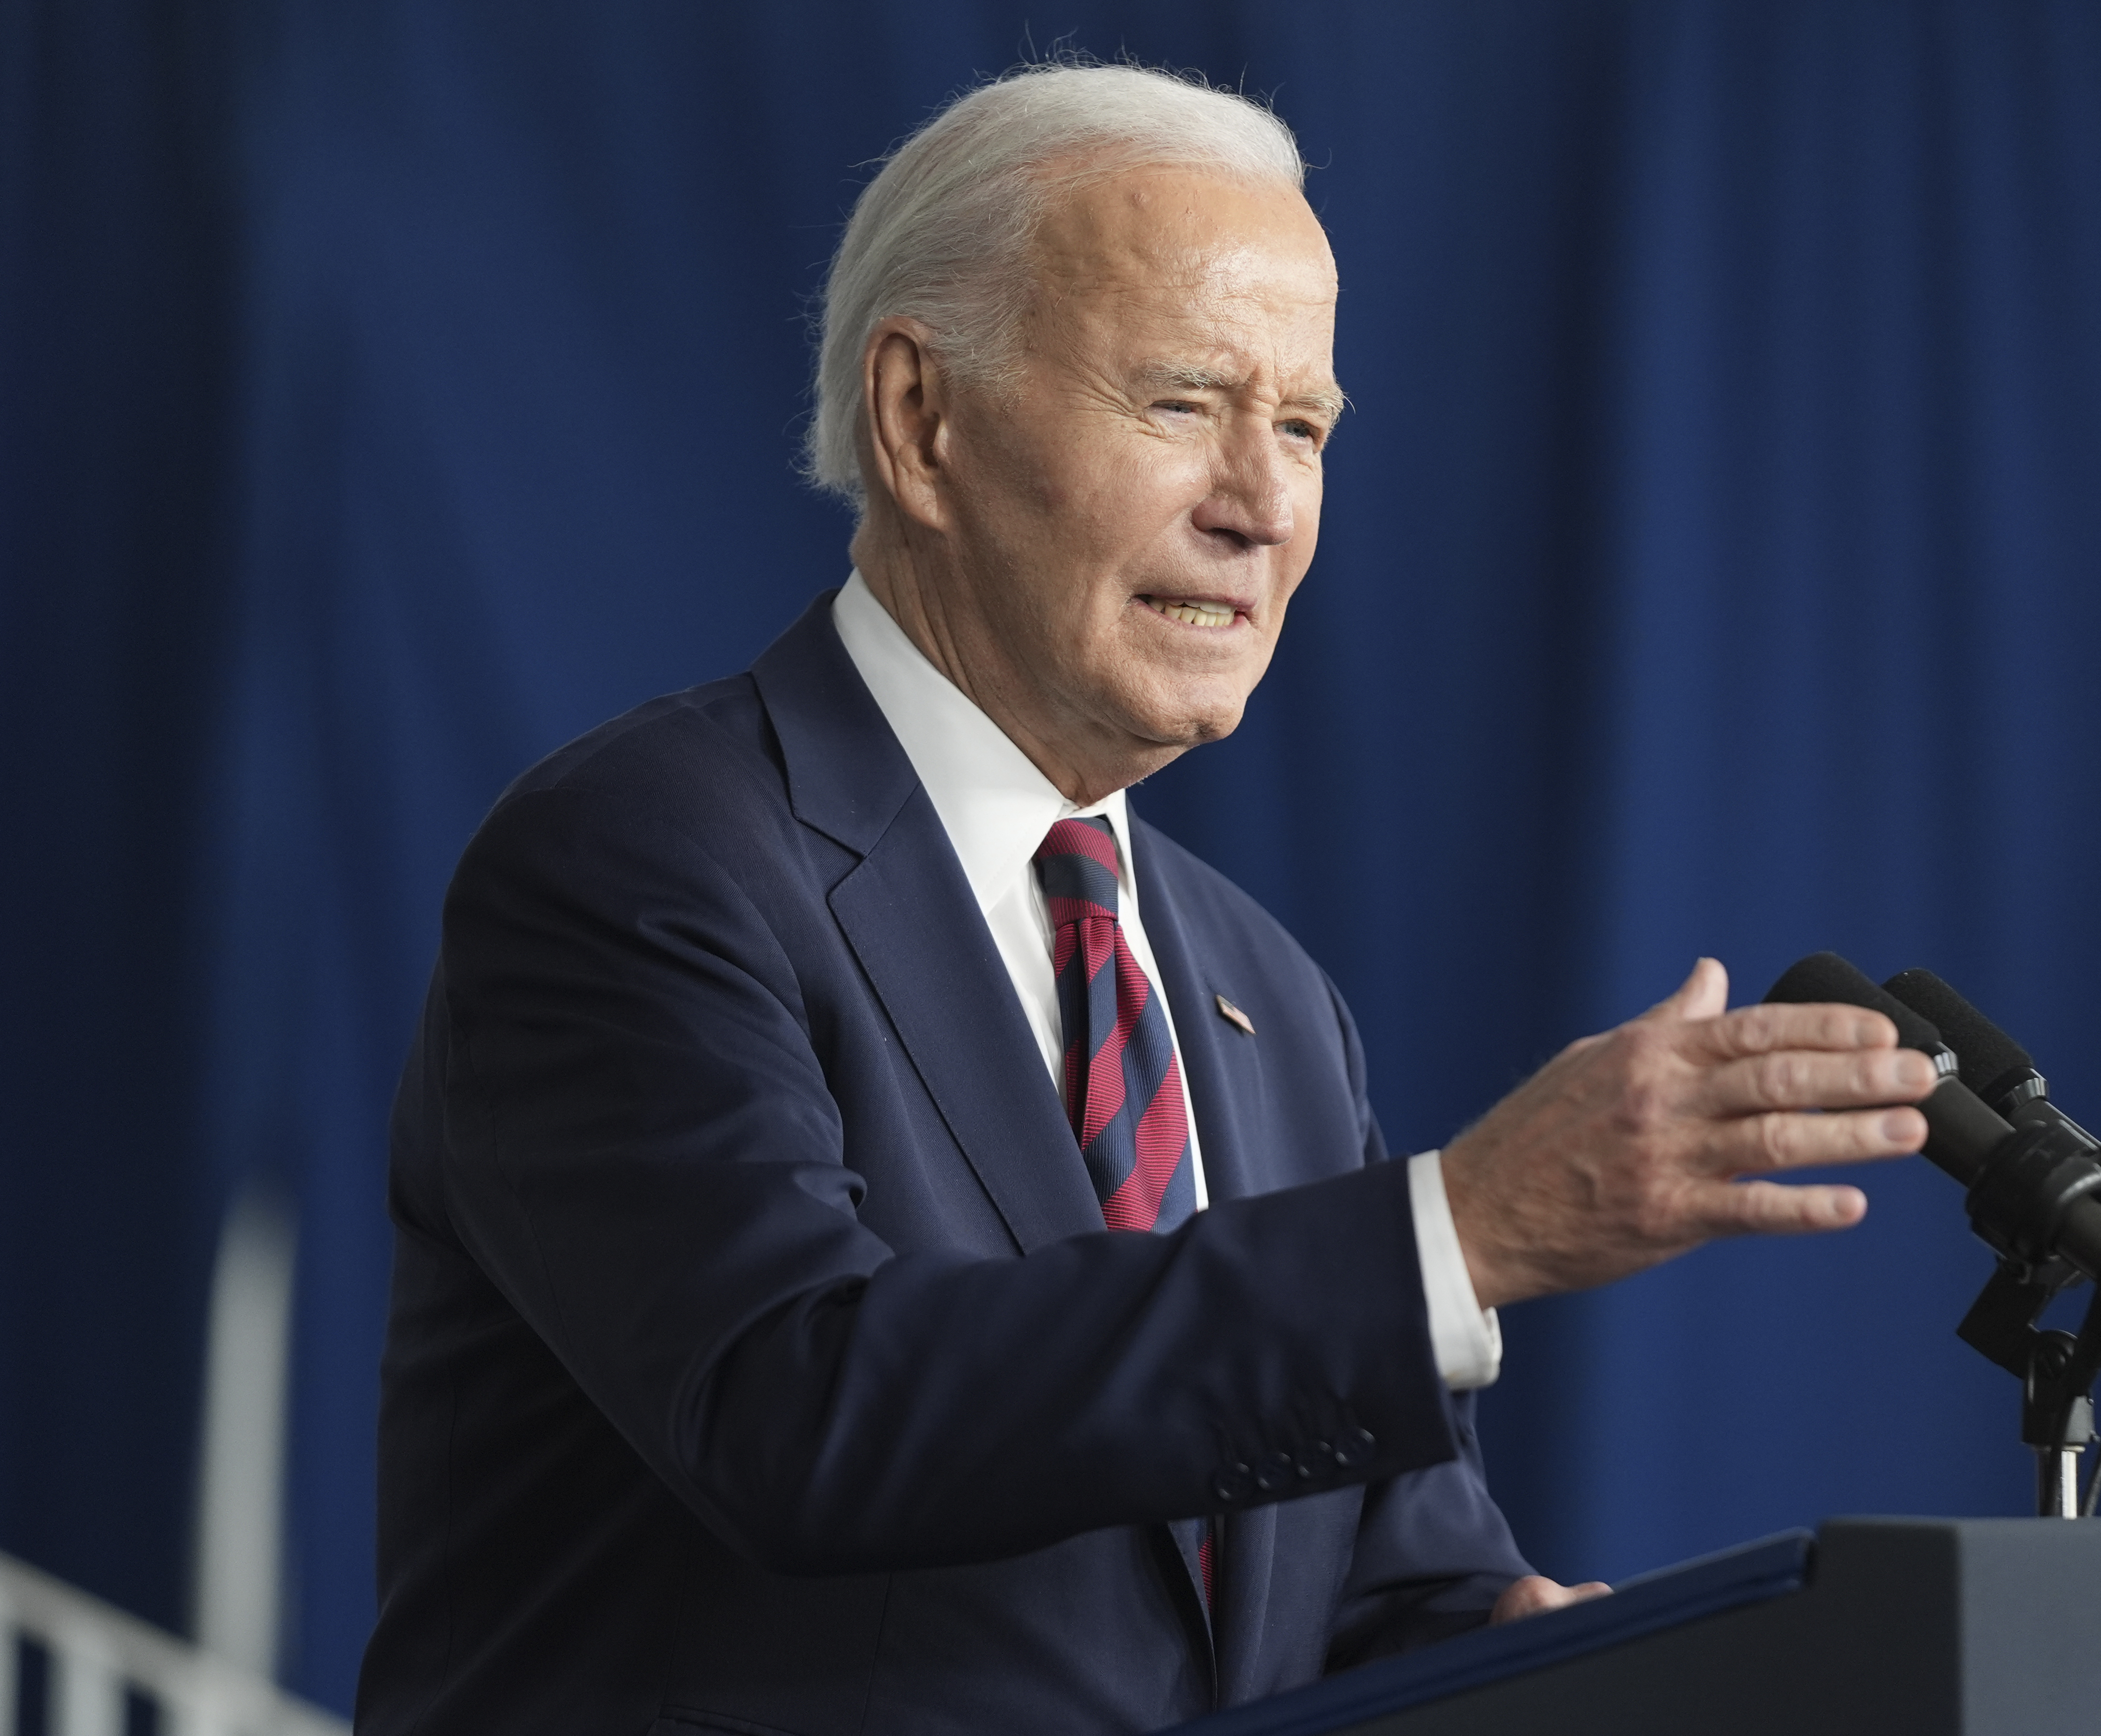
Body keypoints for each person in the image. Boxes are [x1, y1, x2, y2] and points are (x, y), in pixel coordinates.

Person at [355, 62, 1932, 1736]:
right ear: (922, 421)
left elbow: (1357, 1585)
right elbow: (797, 1411)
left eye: (1305, 429)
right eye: (1184, 404)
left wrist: (1519, 1655)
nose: (1259, 506)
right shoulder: (648, 859)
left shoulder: (1265, 992)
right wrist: (1453, 1231)